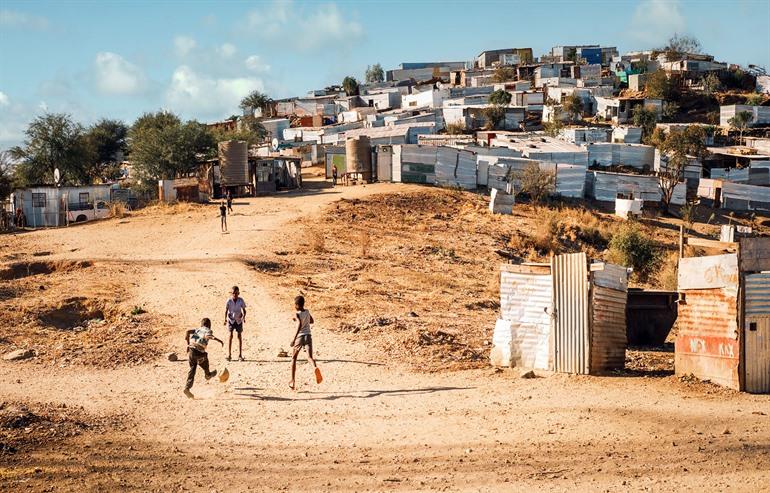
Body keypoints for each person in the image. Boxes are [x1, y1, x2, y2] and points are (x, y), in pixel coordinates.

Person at [184, 318, 223, 399]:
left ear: (201, 324)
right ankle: (208, 374)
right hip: (199, 352)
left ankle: (187, 388)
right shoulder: (208, 330)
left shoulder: (198, 329)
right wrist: (219, 340)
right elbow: (209, 336)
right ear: (209, 325)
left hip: (191, 351)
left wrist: (188, 345)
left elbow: (187, 332)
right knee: (205, 358)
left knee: (192, 369)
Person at [289, 295, 322, 390]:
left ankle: (292, 381)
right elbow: (312, 321)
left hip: (300, 337)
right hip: (308, 336)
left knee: (294, 358)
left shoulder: (297, 314)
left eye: (295, 304)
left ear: (297, 305)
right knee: (309, 357)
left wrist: (294, 339)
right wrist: (305, 320)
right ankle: (315, 367)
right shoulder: (307, 312)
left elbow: (299, 324)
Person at [224, 286, 247, 361]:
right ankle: (229, 354)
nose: (235, 294)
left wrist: (244, 317)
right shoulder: (229, 301)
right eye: (233, 293)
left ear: (239, 293)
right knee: (230, 335)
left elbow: (244, 310)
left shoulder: (241, 301)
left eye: (236, 293)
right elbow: (226, 310)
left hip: (239, 320)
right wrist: (225, 319)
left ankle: (240, 355)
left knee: (239, 336)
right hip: (231, 320)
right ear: (231, 293)